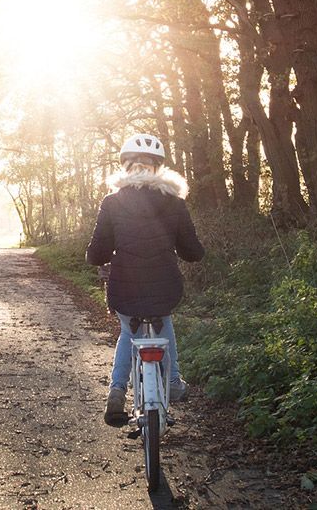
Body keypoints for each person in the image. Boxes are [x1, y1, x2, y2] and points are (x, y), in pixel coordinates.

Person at [86, 133, 205, 425]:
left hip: (124, 285)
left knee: (129, 331)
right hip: (165, 285)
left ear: (126, 167)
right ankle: (174, 382)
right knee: (164, 320)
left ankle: (117, 390)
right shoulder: (174, 202)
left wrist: (97, 257)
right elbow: (192, 252)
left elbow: (97, 251)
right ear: (158, 168)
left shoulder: (112, 202)